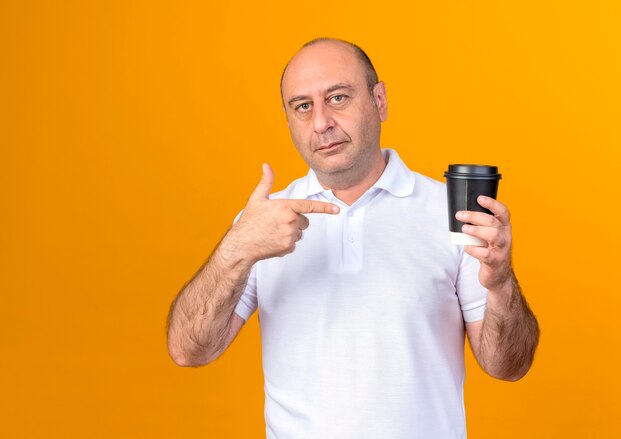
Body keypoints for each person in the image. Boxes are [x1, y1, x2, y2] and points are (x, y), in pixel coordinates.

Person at [167, 37, 540, 438]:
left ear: (379, 101)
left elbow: (508, 366)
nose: (321, 122)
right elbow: (190, 350)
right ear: (289, 119)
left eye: (338, 97)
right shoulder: (262, 221)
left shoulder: (450, 213)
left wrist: (500, 283)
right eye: (303, 106)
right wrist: (236, 250)